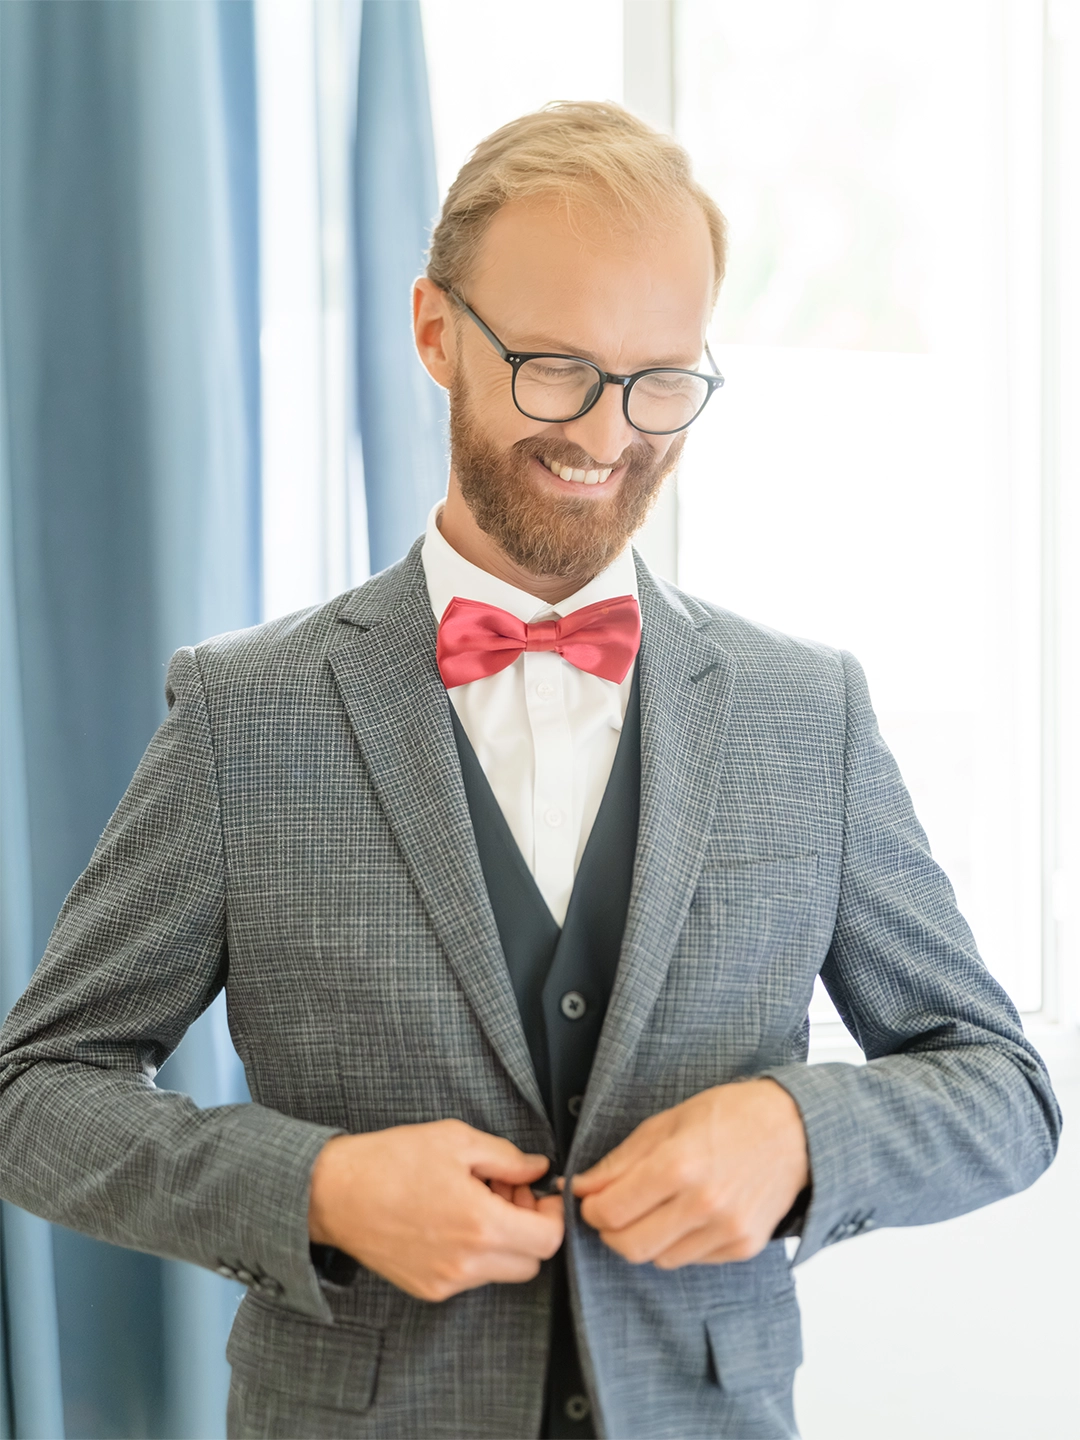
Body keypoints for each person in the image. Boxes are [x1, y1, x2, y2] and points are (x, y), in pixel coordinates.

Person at [0, 101, 1061, 1440]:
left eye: (661, 381)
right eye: (557, 367)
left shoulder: (810, 715)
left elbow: (1003, 1090)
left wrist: (800, 1138)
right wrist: (318, 1189)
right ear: (437, 332)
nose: (608, 437)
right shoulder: (243, 715)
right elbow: (38, 1097)